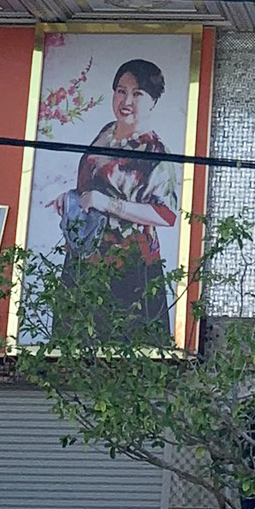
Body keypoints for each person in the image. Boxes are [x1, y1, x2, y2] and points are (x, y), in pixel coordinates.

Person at [57, 59, 179, 339]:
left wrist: (108, 204)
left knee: (126, 348)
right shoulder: (105, 134)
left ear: (153, 101)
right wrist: (70, 199)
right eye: (121, 91)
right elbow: (91, 187)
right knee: (70, 346)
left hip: (130, 268)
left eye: (137, 94)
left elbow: (167, 214)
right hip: (83, 258)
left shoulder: (155, 152)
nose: (127, 101)